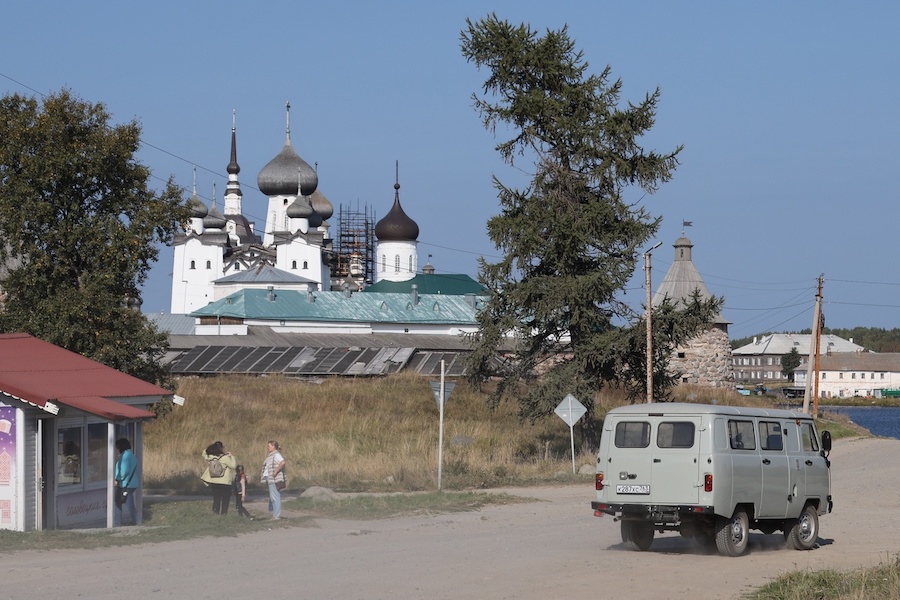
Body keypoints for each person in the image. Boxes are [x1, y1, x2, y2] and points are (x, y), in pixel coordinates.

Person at [200, 441, 237, 515]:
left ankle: (215, 513)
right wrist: (232, 456)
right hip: (225, 482)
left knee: (216, 499)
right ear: (222, 448)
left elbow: (204, 453)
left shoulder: (211, 457)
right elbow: (233, 466)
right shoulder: (225, 458)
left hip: (214, 481)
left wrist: (211, 445)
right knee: (225, 499)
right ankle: (224, 514)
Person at [114, 438, 139, 526]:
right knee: (118, 502)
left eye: (118, 447)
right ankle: (117, 523)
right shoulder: (131, 455)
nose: (117, 449)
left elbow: (124, 471)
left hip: (125, 485)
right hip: (131, 484)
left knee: (128, 505)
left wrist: (117, 479)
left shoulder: (124, 456)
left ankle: (138, 522)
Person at [260, 440, 286, 520]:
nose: (267, 447)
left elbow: (283, 463)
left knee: (275, 497)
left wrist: (275, 472)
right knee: (273, 497)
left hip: (274, 479)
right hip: (270, 478)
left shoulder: (276, 455)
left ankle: (276, 515)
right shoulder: (271, 455)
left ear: (273, 446)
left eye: (269, 446)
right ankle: (275, 514)